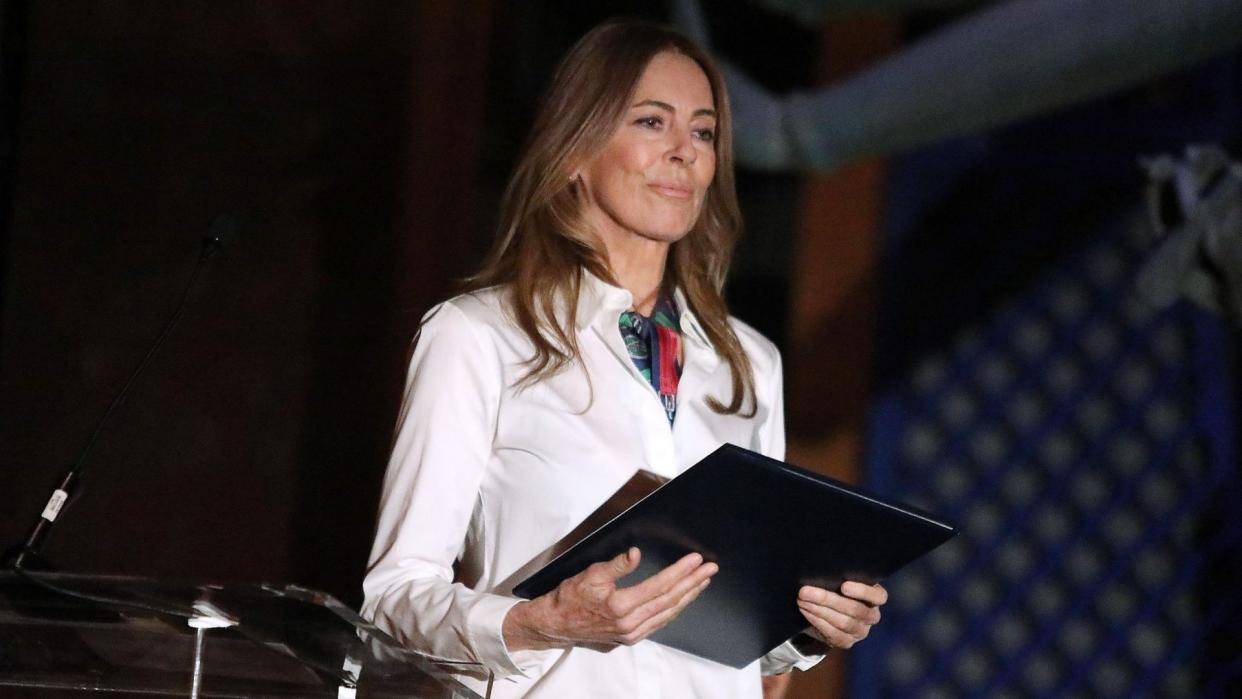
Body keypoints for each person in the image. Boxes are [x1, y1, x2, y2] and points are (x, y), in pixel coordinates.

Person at [362, 19, 887, 699]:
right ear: (575, 151)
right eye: (651, 122)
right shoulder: (479, 337)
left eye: (702, 132)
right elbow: (395, 599)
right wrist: (541, 621)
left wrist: (812, 626)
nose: (684, 153)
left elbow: (755, 655)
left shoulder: (749, 363)